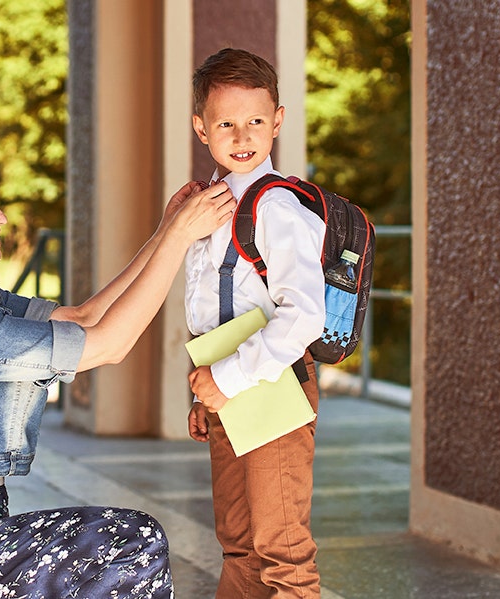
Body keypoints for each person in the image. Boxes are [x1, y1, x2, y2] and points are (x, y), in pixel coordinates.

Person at [0, 147, 234, 599]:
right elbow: (108, 345)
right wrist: (179, 238)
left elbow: (81, 318)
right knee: (130, 541)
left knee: (111, 550)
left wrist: (164, 232)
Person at [184, 48, 328, 598]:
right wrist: (205, 393)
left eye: (256, 121)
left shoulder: (277, 208)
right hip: (228, 393)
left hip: (274, 391)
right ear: (201, 128)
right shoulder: (210, 207)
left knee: (281, 549)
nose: (242, 135)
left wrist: (226, 381)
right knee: (239, 542)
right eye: (225, 123)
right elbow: (210, 311)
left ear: (279, 121)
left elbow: (304, 315)